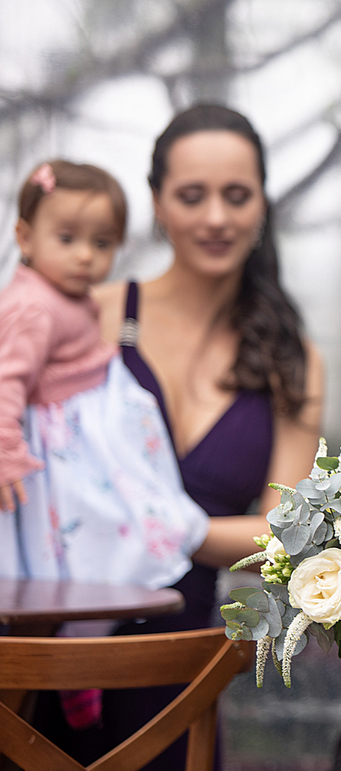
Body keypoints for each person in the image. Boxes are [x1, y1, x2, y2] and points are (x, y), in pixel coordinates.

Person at [22, 105, 325, 771]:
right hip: (53, 648)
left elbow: (286, 536)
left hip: (183, 668)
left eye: (237, 195)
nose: (215, 217)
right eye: (192, 196)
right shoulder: (87, 317)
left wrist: (163, 531)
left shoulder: (291, 360)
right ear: (157, 204)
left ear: (261, 205)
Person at [1, 160, 206, 592]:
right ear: (24, 237)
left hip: (84, 428)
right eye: (67, 238)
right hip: (55, 444)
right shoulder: (34, 306)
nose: (85, 255)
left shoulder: (62, 294)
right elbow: (6, 383)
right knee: (79, 529)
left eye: (102, 242)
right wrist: (6, 454)